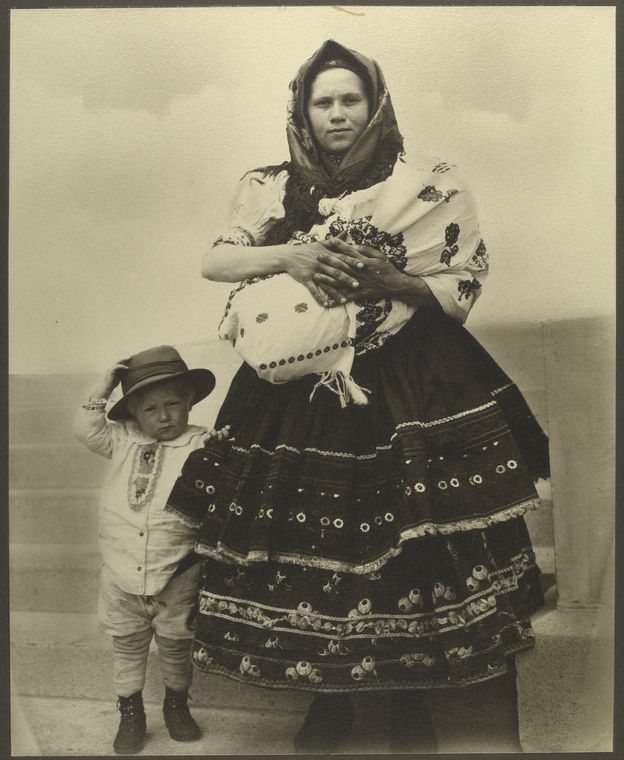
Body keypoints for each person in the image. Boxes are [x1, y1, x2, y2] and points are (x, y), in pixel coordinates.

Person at [166, 40, 550, 753]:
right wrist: (291, 254)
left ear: (375, 107)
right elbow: (216, 259)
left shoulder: (431, 182)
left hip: (410, 378)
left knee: (410, 542)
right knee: (306, 545)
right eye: (323, 101)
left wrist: (391, 279)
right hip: (299, 385)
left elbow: (460, 283)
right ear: (303, 113)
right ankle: (327, 703)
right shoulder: (271, 183)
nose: (337, 113)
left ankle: (409, 703)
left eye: (351, 99)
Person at [74, 345, 231, 754]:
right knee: (127, 644)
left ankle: (176, 705)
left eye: (174, 404)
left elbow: (221, 480)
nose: (164, 416)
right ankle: (130, 711)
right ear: (133, 414)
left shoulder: (200, 443)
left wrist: (219, 452)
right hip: (121, 569)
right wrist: (104, 385)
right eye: (151, 409)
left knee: (177, 645)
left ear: (190, 401)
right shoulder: (121, 439)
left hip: (177, 569)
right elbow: (85, 430)